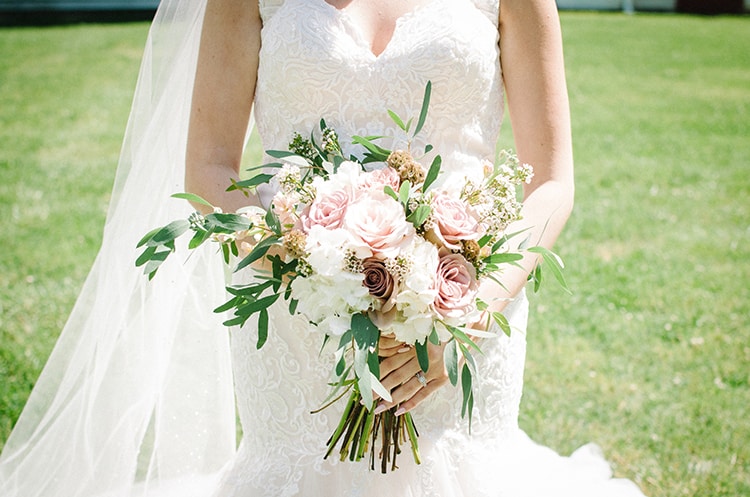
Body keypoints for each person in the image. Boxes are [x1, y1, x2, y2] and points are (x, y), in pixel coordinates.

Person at [0, 0, 647, 495]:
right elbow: (209, 168)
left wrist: (465, 315)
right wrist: (311, 262)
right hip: (295, 319)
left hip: (461, 315)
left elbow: (552, 179)